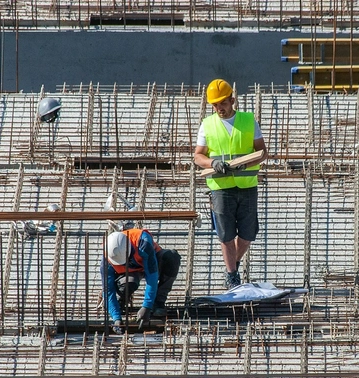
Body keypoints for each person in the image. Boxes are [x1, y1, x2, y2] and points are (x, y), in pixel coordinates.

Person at [193, 79, 268, 289]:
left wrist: (247, 162)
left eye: (222, 104)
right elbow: (198, 157)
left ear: (232, 100)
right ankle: (232, 274)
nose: (219, 109)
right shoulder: (207, 125)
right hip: (220, 187)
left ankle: (232, 261)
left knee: (247, 234)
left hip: (246, 185)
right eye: (215, 105)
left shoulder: (248, 120)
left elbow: (262, 152)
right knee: (225, 234)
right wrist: (212, 162)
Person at [101, 228, 181, 331]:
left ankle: (158, 303)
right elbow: (108, 290)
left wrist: (147, 306)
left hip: (152, 261)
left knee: (172, 258)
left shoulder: (143, 242)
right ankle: (120, 302)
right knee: (127, 285)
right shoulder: (107, 258)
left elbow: (152, 276)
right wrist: (116, 318)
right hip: (130, 273)